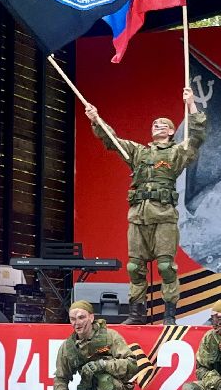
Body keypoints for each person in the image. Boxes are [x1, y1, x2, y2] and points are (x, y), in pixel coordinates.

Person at [84, 87, 207, 325]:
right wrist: (96, 120)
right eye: (154, 124)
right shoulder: (139, 152)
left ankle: (169, 315)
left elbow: (198, 135)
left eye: (163, 125)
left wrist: (191, 104)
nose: (157, 126)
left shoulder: (178, 152)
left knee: (165, 266)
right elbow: (113, 141)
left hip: (163, 216)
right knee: (134, 267)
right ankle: (136, 314)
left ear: (172, 131)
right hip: (138, 216)